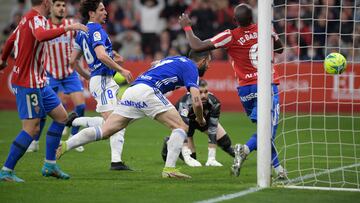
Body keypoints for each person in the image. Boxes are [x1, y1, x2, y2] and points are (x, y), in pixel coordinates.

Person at [57, 50, 211, 179]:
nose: (209, 66)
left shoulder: (177, 58)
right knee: (180, 127)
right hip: (148, 91)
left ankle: (64, 146)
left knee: (105, 131)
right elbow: (197, 102)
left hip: (133, 90)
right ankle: (169, 170)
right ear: (202, 60)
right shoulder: (191, 67)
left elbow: (155, 63)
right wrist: (200, 118)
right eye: (208, 62)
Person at [178, 3, 287, 179]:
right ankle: (245, 149)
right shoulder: (266, 29)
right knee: (269, 131)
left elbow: (197, 46)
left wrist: (187, 27)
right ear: (253, 18)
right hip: (266, 85)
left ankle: (278, 169)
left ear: (235, 20)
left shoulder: (230, 35)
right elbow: (280, 49)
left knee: (263, 130)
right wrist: (269, 36)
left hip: (246, 90)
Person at [0, 0, 87, 182]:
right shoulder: (37, 20)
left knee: (62, 117)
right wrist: (68, 28)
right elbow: (40, 36)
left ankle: (50, 164)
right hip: (27, 83)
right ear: (47, 2)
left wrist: (3, 60)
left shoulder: (26, 19)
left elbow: (10, 40)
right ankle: (6, 171)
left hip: (39, 81)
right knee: (31, 129)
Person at [69, 0, 133, 170]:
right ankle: (116, 162)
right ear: (91, 13)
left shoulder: (81, 32)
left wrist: (88, 76)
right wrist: (122, 69)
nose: (106, 12)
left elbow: (72, 60)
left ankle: (75, 121)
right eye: (102, 9)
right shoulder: (96, 30)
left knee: (117, 121)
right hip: (103, 80)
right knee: (115, 122)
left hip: (100, 80)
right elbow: (101, 56)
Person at [27, 0, 87, 153]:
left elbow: (81, 42)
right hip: (50, 74)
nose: (61, 8)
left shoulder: (71, 24)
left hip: (69, 73)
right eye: (58, 5)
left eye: (63, 6)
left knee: (80, 105)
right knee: (43, 112)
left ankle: (74, 139)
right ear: (51, 7)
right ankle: (34, 141)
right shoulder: (44, 25)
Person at [161, 79, 235, 167]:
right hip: (186, 124)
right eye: (200, 92)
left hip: (203, 121)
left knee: (225, 142)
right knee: (192, 157)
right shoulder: (184, 103)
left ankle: (238, 155)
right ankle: (170, 141)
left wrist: (211, 158)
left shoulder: (215, 103)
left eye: (206, 91)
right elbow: (183, 127)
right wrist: (186, 153)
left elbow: (213, 127)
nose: (203, 95)